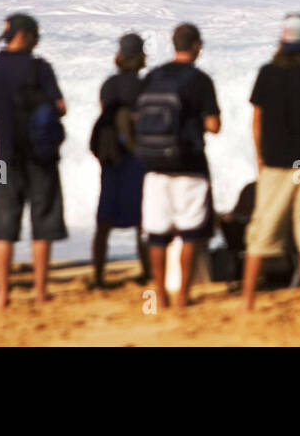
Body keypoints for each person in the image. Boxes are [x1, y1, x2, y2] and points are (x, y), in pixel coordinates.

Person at [0, 13, 67, 308]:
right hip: (40, 160)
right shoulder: (41, 70)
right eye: (36, 35)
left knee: (3, 226)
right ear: (25, 36)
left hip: (3, 162)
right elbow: (61, 108)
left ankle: (2, 295)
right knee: (42, 223)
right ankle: (39, 292)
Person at [242, 14, 300, 315]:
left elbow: (256, 120)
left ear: (281, 41)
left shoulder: (266, 74)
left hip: (275, 163)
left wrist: (260, 156)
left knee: (262, 232)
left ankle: (248, 303)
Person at [137, 22, 220, 309]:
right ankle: (183, 294)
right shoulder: (200, 80)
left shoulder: (152, 76)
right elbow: (214, 124)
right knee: (191, 231)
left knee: (157, 233)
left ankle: (159, 293)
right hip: (190, 164)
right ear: (196, 45)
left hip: (154, 166)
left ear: (174, 44)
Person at [90, 32, 149, 288]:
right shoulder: (144, 85)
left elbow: (106, 114)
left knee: (105, 220)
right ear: (141, 57)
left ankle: (99, 276)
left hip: (111, 154)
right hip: (137, 155)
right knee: (142, 221)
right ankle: (147, 272)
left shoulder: (109, 84)